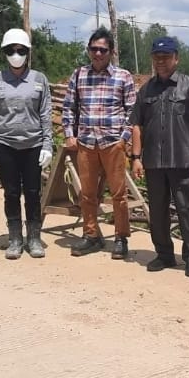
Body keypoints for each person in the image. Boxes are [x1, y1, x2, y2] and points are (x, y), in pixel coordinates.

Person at [130, 36, 189, 277]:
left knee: (188, 209)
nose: (161, 62)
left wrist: (186, 136)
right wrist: (136, 157)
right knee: (157, 210)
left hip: (183, 159)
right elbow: (137, 125)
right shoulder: (146, 89)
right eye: (157, 58)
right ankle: (164, 254)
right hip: (154, 161)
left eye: (166, 57)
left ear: (176, 59)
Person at [61, 27, 137, 259]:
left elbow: (133, 111)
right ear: (88, 50)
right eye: (94, 49)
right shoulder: (79, 75)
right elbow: (69, 107)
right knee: (87, 193)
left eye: (103, 49)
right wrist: (68, 134)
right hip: (86, 142)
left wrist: (124, 138)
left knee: (118, 194)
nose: (98, 54)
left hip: (112, 142)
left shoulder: (123, 77)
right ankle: (91, 234)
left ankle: (121, 238)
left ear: (111, 52)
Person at [0, 28, 53, 259]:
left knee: (33, 192)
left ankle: (33, 238)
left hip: (33, 146)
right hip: (5, 146)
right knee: (11, 193)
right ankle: (14, 238)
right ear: (4, 52)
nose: (16, 54)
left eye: (20, 50)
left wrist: (47, 145)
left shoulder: (39, 80)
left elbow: (45, 114)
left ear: (27, 52)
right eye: (11, 50)